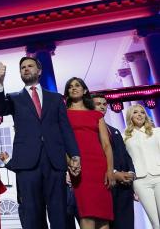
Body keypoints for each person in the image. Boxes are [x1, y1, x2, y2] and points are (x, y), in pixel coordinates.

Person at [0, 57, 81, 229]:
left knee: (60, 213)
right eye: (22, 67)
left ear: (39, 71)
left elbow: (65, 129)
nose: (26, 69)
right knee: (33, 214)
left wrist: (75, 154)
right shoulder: (14, 98)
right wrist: (0, 82)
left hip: (54, 161)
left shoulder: (55, 99)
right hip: (27, 164)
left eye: (30, 66)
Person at [64, 77, 115, 229]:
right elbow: (61, 143)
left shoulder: (96, 115)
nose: (74, 88)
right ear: (67, 92)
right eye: (70, 86)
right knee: (87, 215)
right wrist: (69, 164)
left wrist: (110, 170)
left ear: (85, 90)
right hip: (79, 167)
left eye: (77, 85)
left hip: (99, 166)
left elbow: (106, 144)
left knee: (103, 218)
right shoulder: (63, 114)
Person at [92, 94, 135, 229]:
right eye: (98, 104)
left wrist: (131, 173)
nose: (102, 106)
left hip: (124, 189)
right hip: (105, 186)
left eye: (104, 104)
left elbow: (125, 155)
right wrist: (115, 173)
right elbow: (94, 158)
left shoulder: (114, 130)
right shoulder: (89, 131)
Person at [123, 104, 160, 229]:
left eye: (142, 112)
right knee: (155, 222)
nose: (139, 115)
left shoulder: (157, 132)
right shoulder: (125, 137)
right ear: (130, 116)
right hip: (140, 181)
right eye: (135, 112)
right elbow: (126, 161)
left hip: (159, 176)